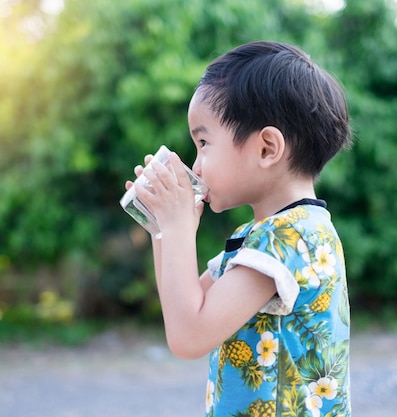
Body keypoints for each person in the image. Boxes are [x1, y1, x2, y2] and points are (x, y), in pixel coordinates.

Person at [125, 40, 352, 417]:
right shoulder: (268, 235)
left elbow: (188, 337)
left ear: (267, 148)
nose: (196, 166)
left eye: (203, 143)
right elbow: (183, 310)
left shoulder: (287, 239)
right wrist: (161, 226)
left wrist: (178, 227)